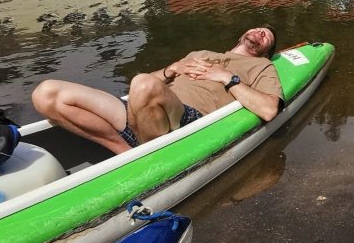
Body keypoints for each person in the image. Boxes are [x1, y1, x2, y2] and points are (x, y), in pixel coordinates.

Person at [32, 26, 282, 154]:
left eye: (266, 37)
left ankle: (147, 156)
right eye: (258, 29)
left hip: (189, 118)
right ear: (241, 35)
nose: (260, 33)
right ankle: (125, 149)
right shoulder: (201, 53)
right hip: (144, 110)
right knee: (47, 93)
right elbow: (144, 84)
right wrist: (171, 69)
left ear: (266, 50)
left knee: (143, 85)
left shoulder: (262, 67)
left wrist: (227, 77)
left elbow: (269, 109)